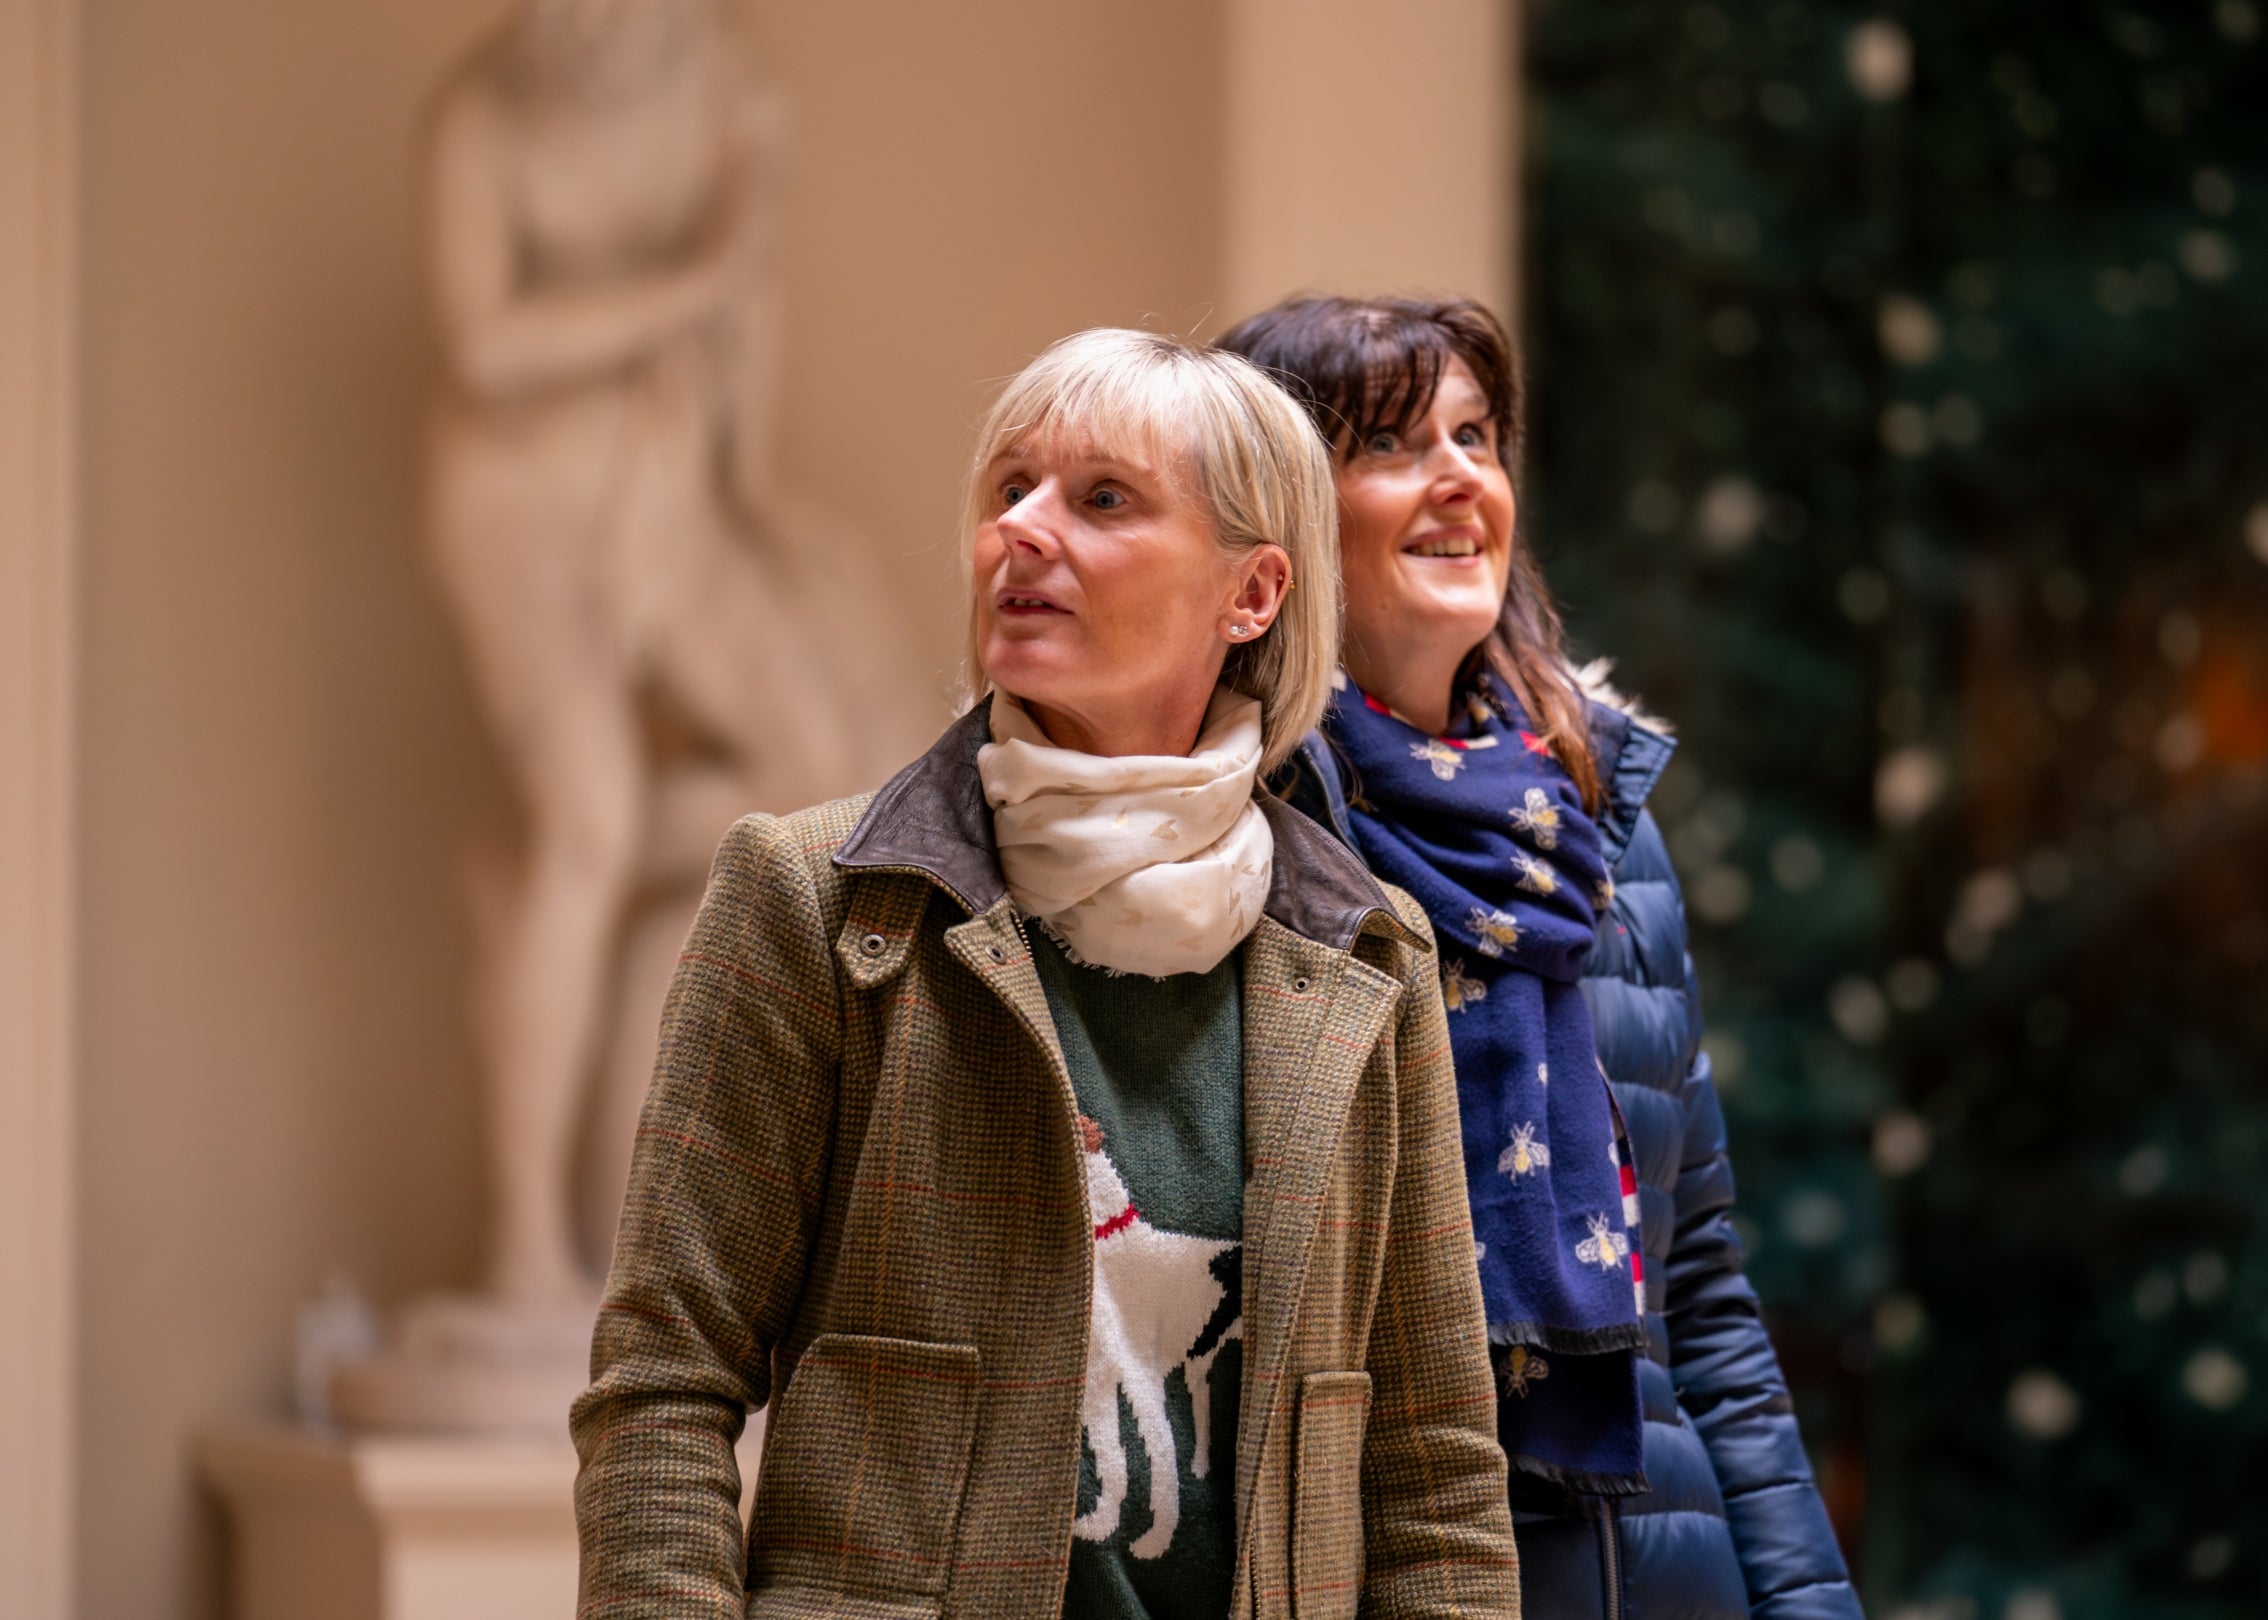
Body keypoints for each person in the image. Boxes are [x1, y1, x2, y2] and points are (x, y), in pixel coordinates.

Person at [572, 328, 1523, 1619]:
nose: (1019, 529)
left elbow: (1434, 1475)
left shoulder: (1369, 957)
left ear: (1252, 594)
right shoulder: (813, 903)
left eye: (1104, 499)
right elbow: (662, 1385)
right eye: (1010, 488)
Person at [1222, 297, 1862, 1620]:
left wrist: (1806, 1603)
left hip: (1664, 1582)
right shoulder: (1235, 838)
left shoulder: (1593, 825)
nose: (1461, 476)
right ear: (1275, 522)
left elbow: (1698, 1288)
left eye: (1477, 437)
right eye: (1391, 443)